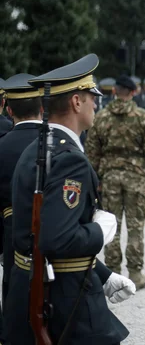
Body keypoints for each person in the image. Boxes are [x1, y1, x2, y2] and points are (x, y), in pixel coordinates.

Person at [6, 54, 135, 345]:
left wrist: (102, 275)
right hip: (63, 300)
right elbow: (57, 239)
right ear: (77, 102)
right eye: (92, 96)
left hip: (29, 288)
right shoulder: (69, 160)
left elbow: (35, 233)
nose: (96, 103)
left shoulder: (37, 147)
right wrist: (100, 230)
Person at [86, 75, 145, 289]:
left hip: (109, 178)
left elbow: (92, 151)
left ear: (114, 92)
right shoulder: (143, 117)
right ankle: (136, 274)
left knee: (112, 227)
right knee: (136, 227)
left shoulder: (101, 117)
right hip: (136, 178)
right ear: (133, 92)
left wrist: (96, 179)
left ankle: (113, 272)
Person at [0, 74, 43, 330]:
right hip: (53, 228)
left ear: (9, 108)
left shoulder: (2, 147)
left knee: (13, 287)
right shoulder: (59, 144)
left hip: (11, 229)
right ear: (41, 108)